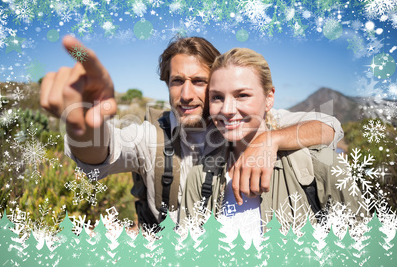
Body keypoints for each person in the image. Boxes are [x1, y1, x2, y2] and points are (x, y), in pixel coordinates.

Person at [40, 36, 343, 228]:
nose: (186, 94)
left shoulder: (243, 123)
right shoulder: (152, 137)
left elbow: (328, 126)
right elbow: (101, 154)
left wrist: (270, 139)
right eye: (176, 81)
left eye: (199, 81)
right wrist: (83, 127)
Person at [182, 48, 360, 243]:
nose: (227, 109)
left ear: (269, 99)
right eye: (217, 97)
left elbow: (363, 249)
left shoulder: (319, 166)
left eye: (242, 95)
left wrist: (269, 139)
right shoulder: (199, 178)